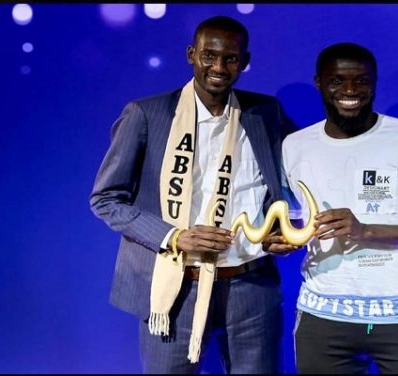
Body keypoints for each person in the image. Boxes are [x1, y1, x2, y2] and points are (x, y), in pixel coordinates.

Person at [89, 16, 298, 374]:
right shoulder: (147, 114)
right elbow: (106, 199)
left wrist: (281, 227)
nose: (219, 67)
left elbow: (307, 166)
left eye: (231, 58)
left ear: (244, 62)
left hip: (250, 284)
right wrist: (175, 236)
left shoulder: (265, 113)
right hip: (175, 284)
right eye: (209, 56)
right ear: (191, 55)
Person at [281, 42, 398, 374]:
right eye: (338, 80)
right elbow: (296, 222)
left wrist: (365, 230)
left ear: (375, 82)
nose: (350, 90)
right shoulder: (295, 146)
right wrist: (280, 243)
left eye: (362, 81)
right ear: (319, 83)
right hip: (322, 319)